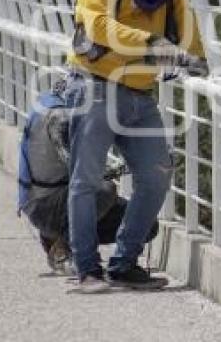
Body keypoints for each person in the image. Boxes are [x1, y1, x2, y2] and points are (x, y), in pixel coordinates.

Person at [63, 0, 206, 293]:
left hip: (141, 92)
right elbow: (96, 23)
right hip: (95, 85)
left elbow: (183, 14)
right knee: (86, 180)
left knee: (156, 175)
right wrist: (152, 43)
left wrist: (196, 56)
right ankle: (86, 269)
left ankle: (123, 264)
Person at [19, 99, 159, 276]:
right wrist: (138, 164)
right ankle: (66, 244)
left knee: (145, 224)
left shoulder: (62, 106)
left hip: (58, 198)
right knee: (105, 190)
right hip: (47, 207)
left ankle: (68, 241)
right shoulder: (59, 116)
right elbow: (80, 171)